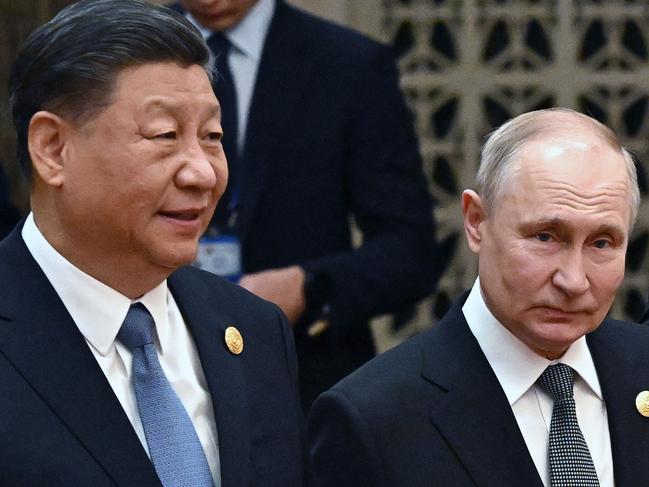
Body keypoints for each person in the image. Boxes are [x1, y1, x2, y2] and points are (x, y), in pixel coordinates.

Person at [2, 1, 305, 485]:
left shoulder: (253, 330)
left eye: (212, 136)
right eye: (165, 134)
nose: (203, 172)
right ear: (53, 149)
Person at [308, 108, 649, 486]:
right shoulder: (373, 419)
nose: (573, 280)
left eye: (602, 243)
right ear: (475, 222)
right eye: (545, 237)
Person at [171, 0, 440, 409]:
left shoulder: (349, 65)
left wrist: (310, 287)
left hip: (301, 379)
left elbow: (410, 252)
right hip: (158, 359)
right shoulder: (126, 59)